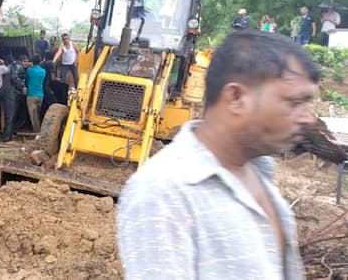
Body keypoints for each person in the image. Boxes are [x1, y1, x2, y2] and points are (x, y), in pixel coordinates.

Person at [118, 30, 316, 279]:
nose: (309, 118)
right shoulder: (165, 192)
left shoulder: (259, 174)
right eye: (295, 102)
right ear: (236, 97)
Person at [1, 54, 27, 142]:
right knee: (11, 115)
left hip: (5, 93)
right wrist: (23, 87)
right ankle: (7, 137)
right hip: (13, 93)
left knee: (8, 115)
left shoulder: (5, 68)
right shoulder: (17, 67)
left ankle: (7, 134)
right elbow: (15, 78)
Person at [26, 55, 46, 132]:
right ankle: (40, 130)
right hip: (40, 95)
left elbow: (26, 79)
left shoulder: (29, 70)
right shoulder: (43, 71)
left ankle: (36, 132)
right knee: (38, 114)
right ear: (40, 61)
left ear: (32, 61)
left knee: (33, 116)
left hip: (31, 95)